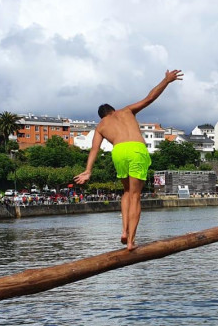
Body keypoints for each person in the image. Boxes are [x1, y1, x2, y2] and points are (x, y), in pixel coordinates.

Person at [74, 69, 183, 251]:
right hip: (135, 149)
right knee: (135, 196)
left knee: (126, 192)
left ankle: (124, 231)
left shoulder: (101, 126)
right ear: (113, 110)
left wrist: (88, 171)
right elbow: (149, 98)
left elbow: (94, 149)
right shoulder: (126, 111)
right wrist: (166, 81)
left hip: (118, 152)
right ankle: (131, 242)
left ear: (102, 116)